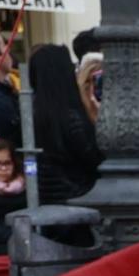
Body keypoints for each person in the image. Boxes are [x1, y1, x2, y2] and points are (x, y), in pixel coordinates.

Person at [28, 44, 102, 204]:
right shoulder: (71, 117)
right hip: (78, 197)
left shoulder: (34, 113)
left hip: (48, 197)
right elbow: (94, 159)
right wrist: (97, 121)